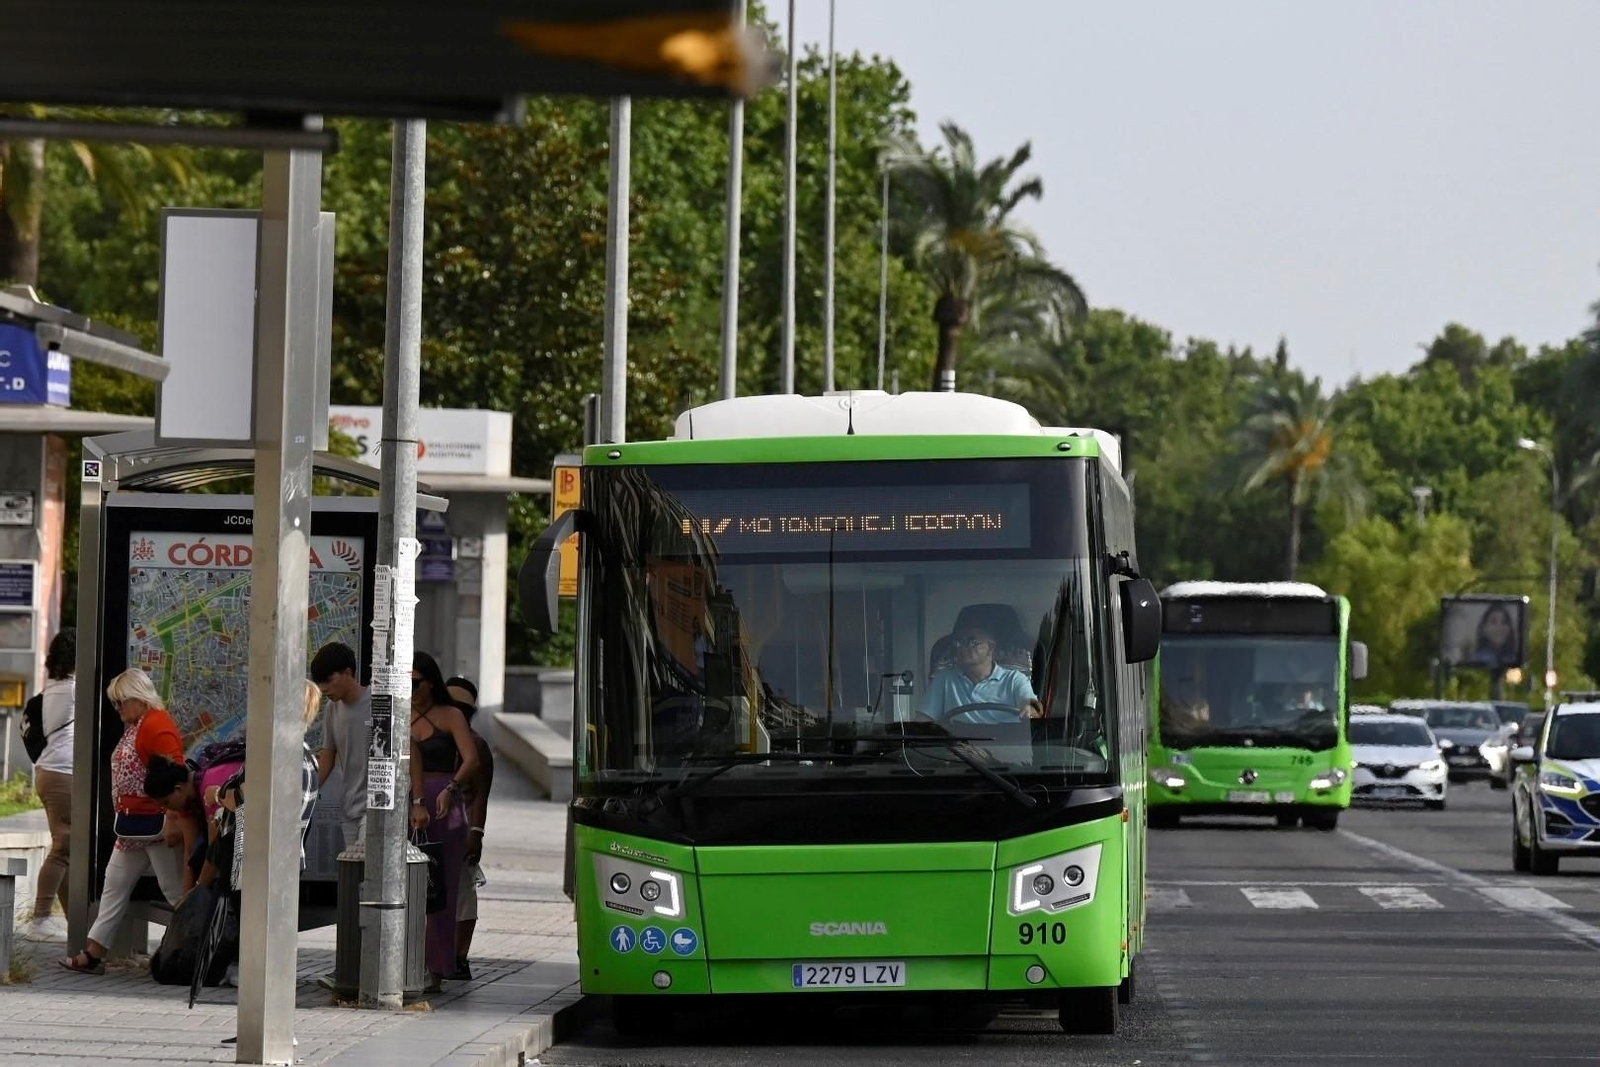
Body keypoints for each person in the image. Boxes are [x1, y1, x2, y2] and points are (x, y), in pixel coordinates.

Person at [60, 669, 188, 974]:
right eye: (114, 703)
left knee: (175, 893)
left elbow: (176, 779)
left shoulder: (157, 727)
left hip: (154, 827)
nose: (117, 709)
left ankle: (200, 947)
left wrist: (171, 819)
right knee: (114, 887)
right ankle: (94, 953)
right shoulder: (140, 724)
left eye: (121, 702)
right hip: (132, 828)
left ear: (139, 699)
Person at [411, 652, 480, 990]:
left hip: (445, 802)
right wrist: (416, 800)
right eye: (406, 683)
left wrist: (452, 788)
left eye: (416, 683)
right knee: (406, 887)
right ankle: (407, 961)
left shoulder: (450, 714)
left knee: (442, 888)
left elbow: (472, 760)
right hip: (411, 801)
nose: (411, 690)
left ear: (431, 681)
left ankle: (436, 969)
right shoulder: (400, 714)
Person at [25, 629, 75, 941]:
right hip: (62, 773)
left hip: (51, 772)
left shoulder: (55, 688)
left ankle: (74, 921)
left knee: (69, 847)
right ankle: (40, 919)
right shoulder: (73, 691)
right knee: (65, 845)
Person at [446, 675, 494, 981]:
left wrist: (476, 834)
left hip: (461, 828)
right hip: (431, 826)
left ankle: (459, 956)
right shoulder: (432, 735)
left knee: (463, 893)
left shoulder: (476, 745)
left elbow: (480, 794)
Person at [921, 609, 1041, 723]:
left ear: (991, 648)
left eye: (971, 642)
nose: (962, 647)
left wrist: (1031, 708)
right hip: (959, 742)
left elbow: (1033, 704)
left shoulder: (1014, 679)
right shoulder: (944, 679)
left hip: (1005, 742)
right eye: (959, 642)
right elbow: (923, 720)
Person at [144, 752, 240, 889]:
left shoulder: (209, 790)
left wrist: (195, 892)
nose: (168, 809)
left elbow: (215, 851)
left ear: (178, 789)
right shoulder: (199, 785)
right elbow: (194, 850)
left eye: (166, 803)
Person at [311, 642, 371, 849]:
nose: (323, 688)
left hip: (376, 808)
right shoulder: (331, 709)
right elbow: (327, 757)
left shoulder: (377, 702)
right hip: (349, 807)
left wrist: (418, 800)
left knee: (369, 871)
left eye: (328, 679)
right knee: (353, 873)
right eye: (319, 682)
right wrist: (307, 792)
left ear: (348, 672)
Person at [1468, 603, 1519, 668]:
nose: (1499, 628)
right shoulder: (1477, 660)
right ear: (1484, 629)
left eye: (1504, 622)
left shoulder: (1514, 658)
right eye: (1493, 622)